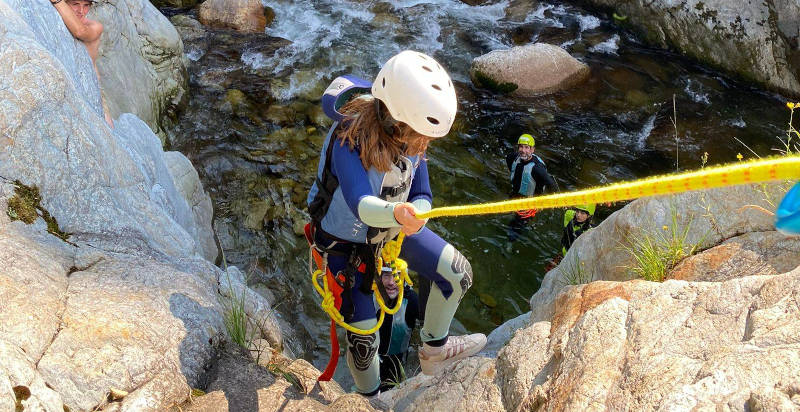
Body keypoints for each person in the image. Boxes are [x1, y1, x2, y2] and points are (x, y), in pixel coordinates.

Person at [307, 51, 486, 396]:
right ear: (395, 120)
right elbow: (362, 204)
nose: (426, 144)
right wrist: (399, 216)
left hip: (389, 233)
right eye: (420, 135)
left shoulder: (411, 135)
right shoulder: (349, 138)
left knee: (457, 274)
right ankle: (371, 400)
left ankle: (435, 352)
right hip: (343, 248)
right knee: (363, 340)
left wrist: (416, 213)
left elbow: (422, 190)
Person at [51, 0, 114, 128]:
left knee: (109, 132)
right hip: (66, 84)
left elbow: (80, 31)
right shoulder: (55, 17)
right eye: (75, 4)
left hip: (93, 88)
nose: (81, 11)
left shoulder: (95, 26)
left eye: (86, 6)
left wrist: (57, 1)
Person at [505, 133, 558, 244]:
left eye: (526, 147)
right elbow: (511, 167)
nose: (523, 150)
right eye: (521, 147)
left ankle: (509, 244)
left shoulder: (538, 168)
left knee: (516, 226)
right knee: (506, 214)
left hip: (530, 202)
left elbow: (552, 185)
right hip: (516, 195)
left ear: (532, 150)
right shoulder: (513, 158)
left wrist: (544, 203)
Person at [374, 268, 419, 391]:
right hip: (371, 356)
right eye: (386, 276)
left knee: (390, 389)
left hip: (396, 359)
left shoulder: (412, 301)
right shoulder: (369, 295)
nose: (391, 282)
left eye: (396, 275)